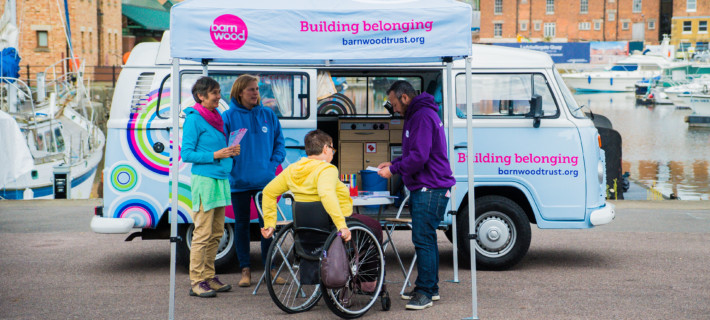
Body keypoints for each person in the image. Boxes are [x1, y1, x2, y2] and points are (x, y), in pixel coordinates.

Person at [377, 80, 455, 310]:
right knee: (425, 239)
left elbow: (419, 157)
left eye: (393, 103)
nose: (393, 108)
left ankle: (425, 293)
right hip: (428, 186)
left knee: (423, 239)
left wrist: (393, 170)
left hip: (430, 187)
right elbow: (416, 153)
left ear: (404, 97)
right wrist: (394, 162)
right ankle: (430, 287)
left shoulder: (421, 116)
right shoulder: (419, 114)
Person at [260, 129, 382, 243]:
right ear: (325, 149)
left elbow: (268, 192)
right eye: (332, 149)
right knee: (375, 226)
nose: (332, 153)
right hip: (331, 223)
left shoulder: (292, 169)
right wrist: (341, 226)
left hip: (304, 225)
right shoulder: (327, 169)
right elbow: (326, 194)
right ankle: (367, 265)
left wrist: (270, 223)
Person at [222, 74, 286, 287]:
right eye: (251, 89)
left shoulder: (268, 114)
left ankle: (271, 269)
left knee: (267, 225)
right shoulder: (228, 116)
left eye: (257, 89)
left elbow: (280, 145)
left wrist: (270, 166)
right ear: (240, 91)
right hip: (239, 182)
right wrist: (232, 164)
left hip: (265, 182)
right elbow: (223, 149)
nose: (256, 93)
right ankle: (245, 270)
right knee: (241, 226)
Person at [182, 76, 239, 298]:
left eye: (218, 92)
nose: (218, 96)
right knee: (203, 233)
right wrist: (215, 154)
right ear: (201, 96)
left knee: (216, 233)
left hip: (220, 179)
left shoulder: (216, 117)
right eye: (214, 93)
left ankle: (208, 276)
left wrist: (230, 151)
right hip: (205, 180)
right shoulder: (194, 119)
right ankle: (197, 281)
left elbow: (217, 147)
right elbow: (186, 153)